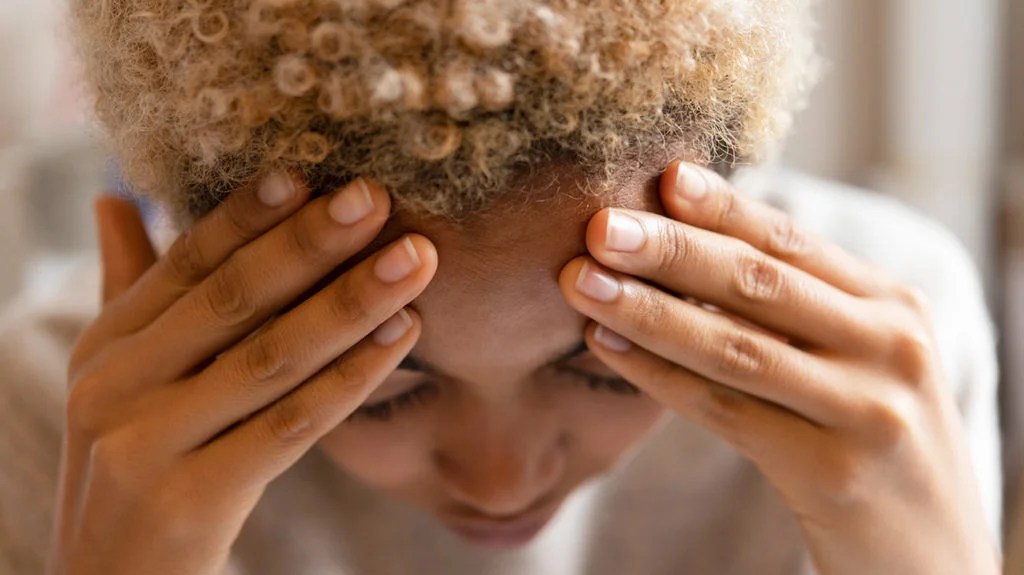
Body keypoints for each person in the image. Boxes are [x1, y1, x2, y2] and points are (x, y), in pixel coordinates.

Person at [0, 1, 1003, 573]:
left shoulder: (872, 369)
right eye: (387, 386)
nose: (502, 479)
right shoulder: (67, 417)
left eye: (611, 369)